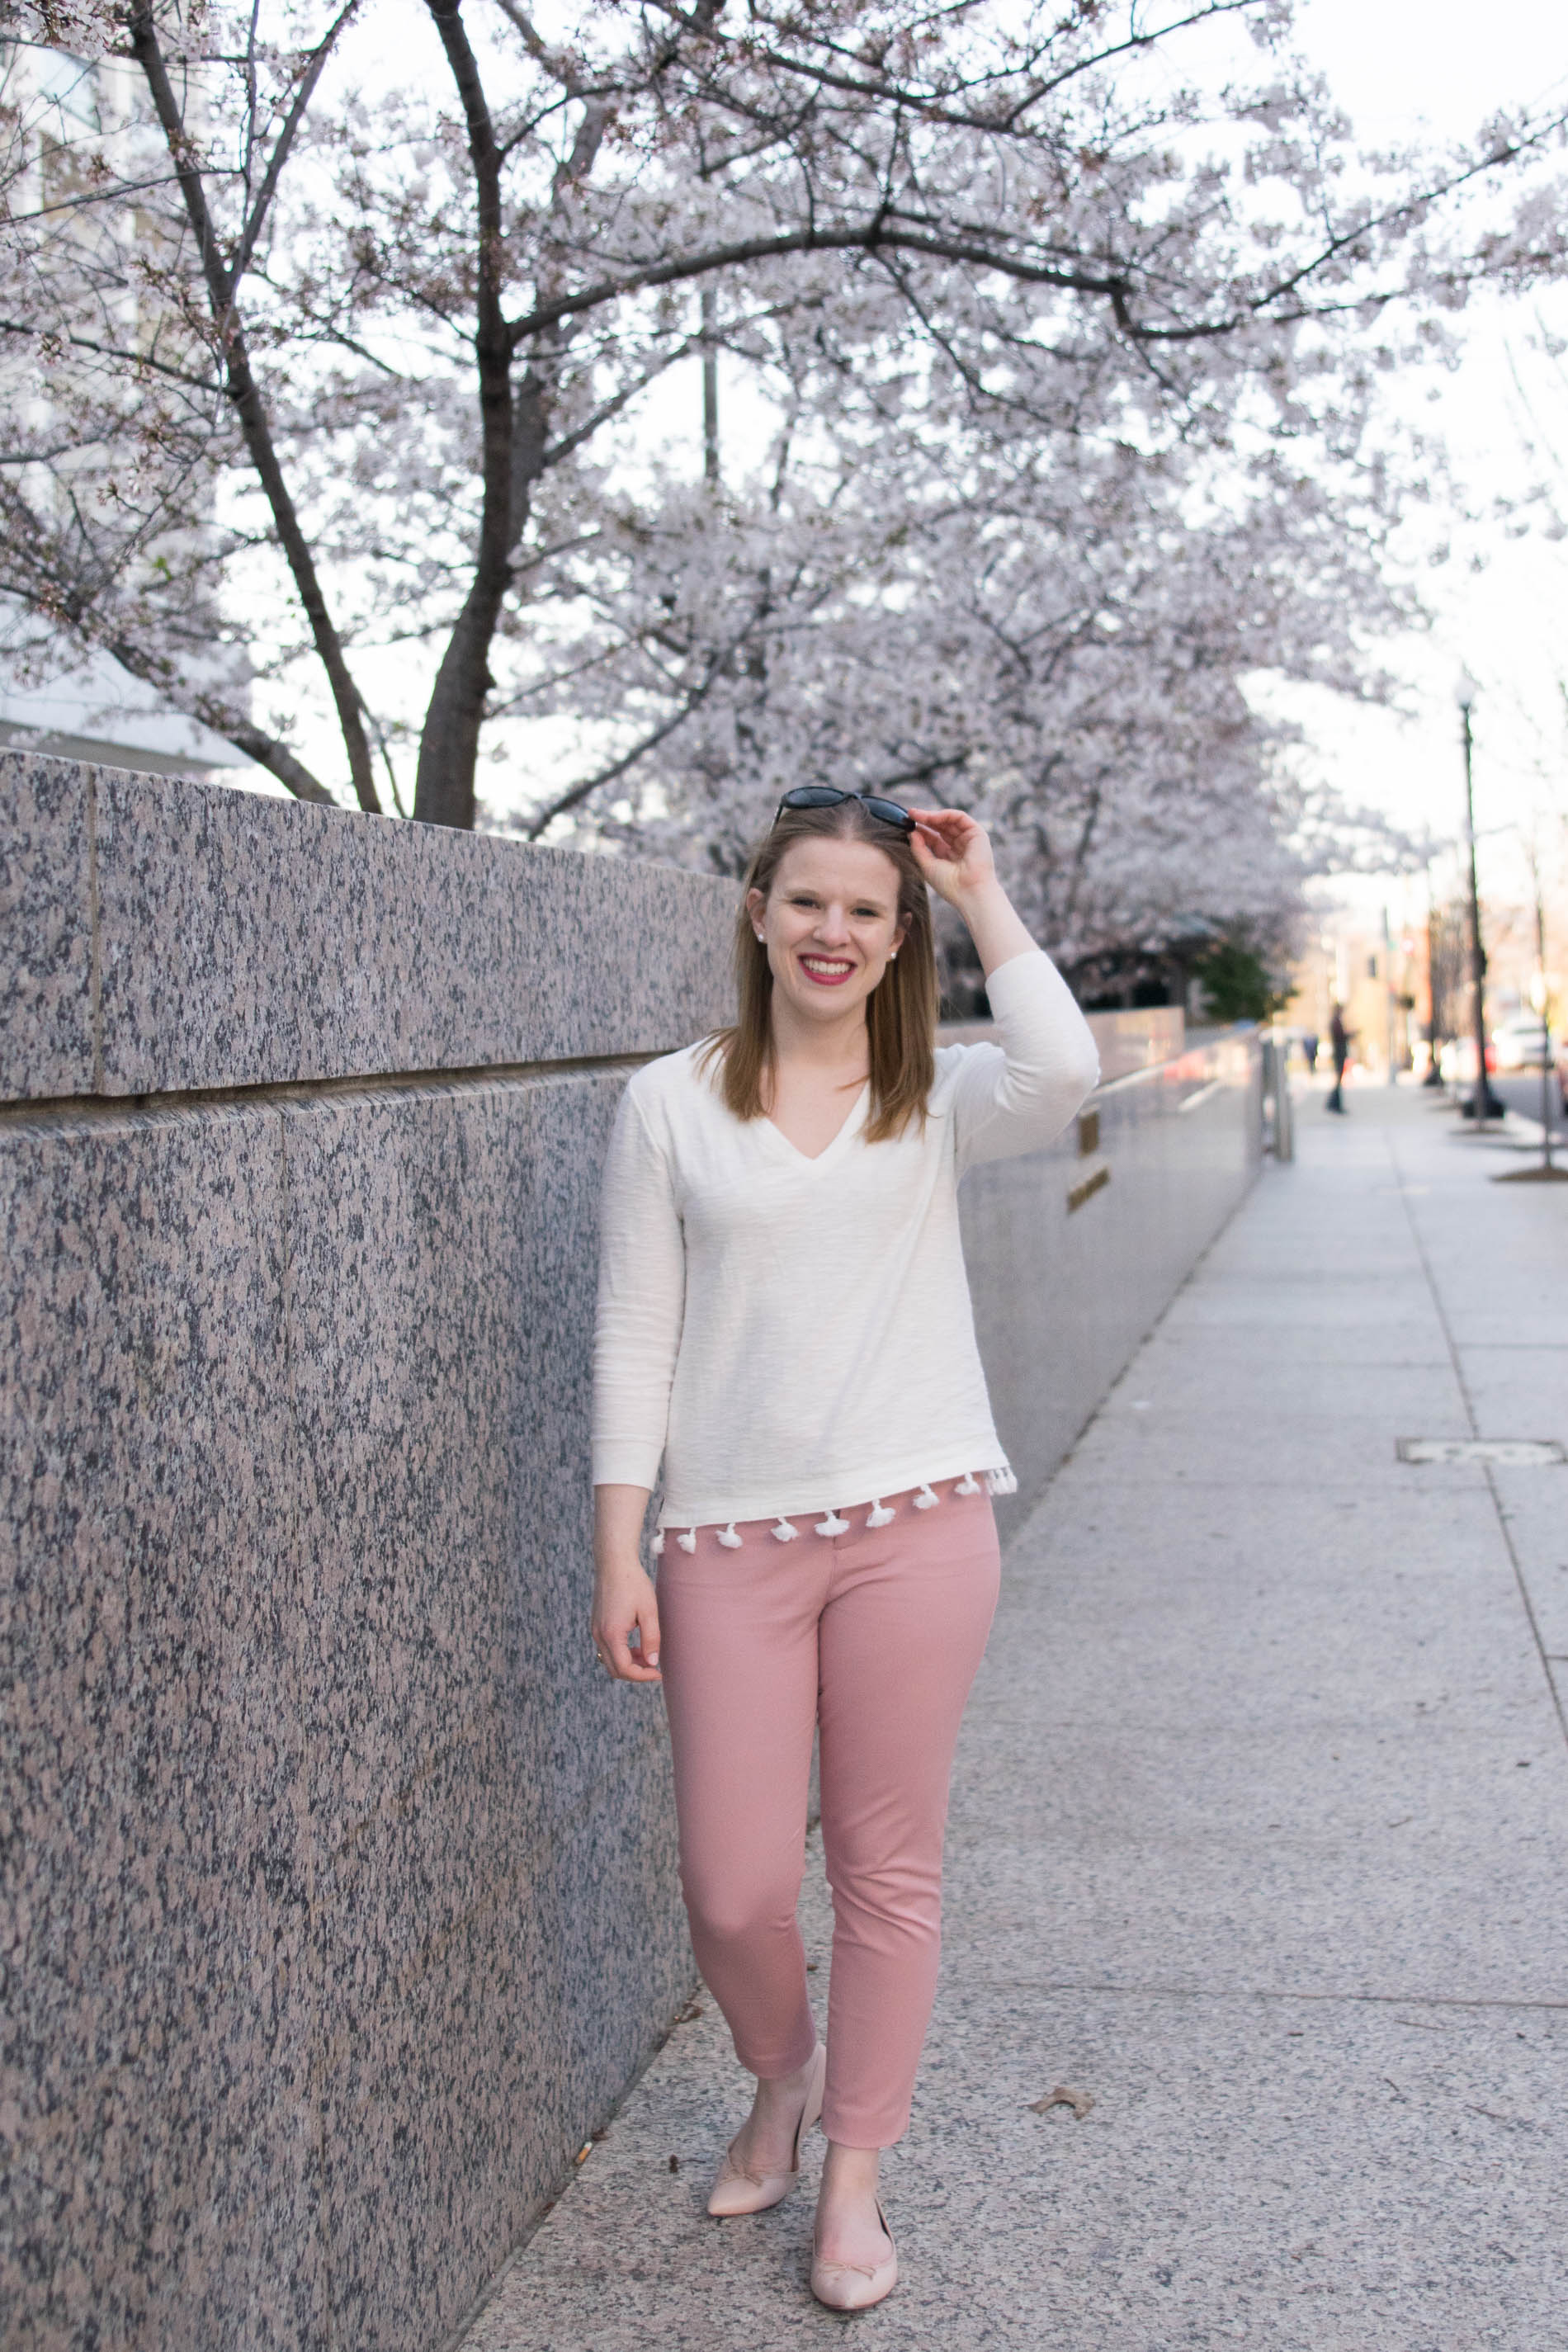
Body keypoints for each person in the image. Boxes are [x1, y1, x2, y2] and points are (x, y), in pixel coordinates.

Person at [589, 787, 1099, 2311]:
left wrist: (984, 887)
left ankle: (857, 2173)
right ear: (758, 913)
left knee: (888, 1871)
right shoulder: (669, 1102)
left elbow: (1069, 1066)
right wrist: (621, 1549)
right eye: (808, 901)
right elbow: (634, 1334)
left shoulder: (936, 1094)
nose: (833, 931)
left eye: (867, 911)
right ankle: (782, 2078)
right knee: (735, 1884)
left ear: (896, 942)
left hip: (917, 1524)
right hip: (726, 1541)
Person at [1325, 1002, 1351, 1113]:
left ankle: (1333, 1103)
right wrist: (1350, 1035)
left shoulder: (1336, 1021)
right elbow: (1340, 1037)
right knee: (1338, 1080)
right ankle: (1334, 1104)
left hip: (1339, 1053)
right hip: (1339, 1053)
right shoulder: (1336, 1022)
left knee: (1339, 1080)